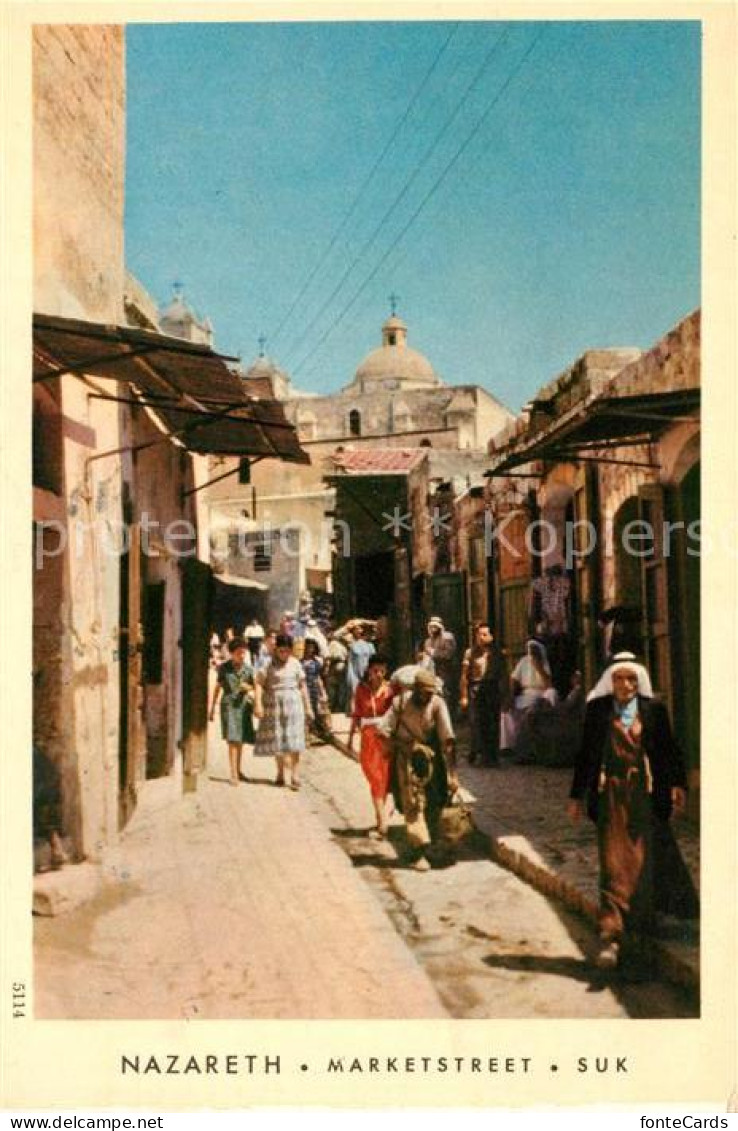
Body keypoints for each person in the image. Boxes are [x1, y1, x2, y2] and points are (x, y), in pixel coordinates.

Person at [568, 656, 699, 970]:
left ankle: (638, 937)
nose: (625, 685)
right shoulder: (599, 712)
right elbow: (586, 755)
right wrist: (577, 796)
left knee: (642, 866)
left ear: (638, 681)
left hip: (644, 796)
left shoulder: (653, 711)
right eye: (619, 679)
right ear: (610, 682)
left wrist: (677, 785)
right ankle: (611, 935)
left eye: (631, 680)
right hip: (612, 798)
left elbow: (668, 750)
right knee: (613, 866)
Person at [378, 669, 459, 872]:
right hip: (406, 759)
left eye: (431, 693)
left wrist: (452, 775)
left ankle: (430, 843)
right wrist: (405, 745)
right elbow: (382, 732)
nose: (427, 696)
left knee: (435, 801)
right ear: (415, 689)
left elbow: (448, 740)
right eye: (424, 692)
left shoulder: (438, 704)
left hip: (432, 760)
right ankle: (419, 850)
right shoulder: (399, 704)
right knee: (412, 804)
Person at [253, 633, 313, 790]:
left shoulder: (295, 664)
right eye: (281, 651)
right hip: (274, 706)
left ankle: (295, 774)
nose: (284, 654)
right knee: (278, 739)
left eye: (287, 651)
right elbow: (258, 683)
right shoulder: (267, 664)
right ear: (275, 649)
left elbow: (302, 686)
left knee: (295, 740)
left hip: (294, 706)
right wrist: (258, 704)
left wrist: (308, 707)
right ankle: (280, 773)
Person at [348, 655, 395, 839]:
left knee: (381, 779)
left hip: (386, 738)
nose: (379, 674)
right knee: (374, 778)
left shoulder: (391, 689)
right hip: (368, 738)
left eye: (382, 670)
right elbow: (357, 714)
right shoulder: (361, 689)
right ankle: (380, 818)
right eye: (376, 670)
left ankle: (382, 823)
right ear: (369, 670)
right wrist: (351, 738)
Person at [209, 637, 256, 786]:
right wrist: (211, 708)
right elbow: (218, 687)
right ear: (231, 653)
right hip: (229, 705)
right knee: (232, 740)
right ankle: (233, 773)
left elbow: (255, 687)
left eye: (243, 653)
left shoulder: (248, 669)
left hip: (243, 706)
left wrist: (247, 688)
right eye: (238, 653)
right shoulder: (224, 668)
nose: (241, 656)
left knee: (240, 739)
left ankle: (238, 770)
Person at [500, 639, 558, 760]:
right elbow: (514, 679)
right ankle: (508, 746)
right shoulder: (524, 661)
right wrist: (511, 695)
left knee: (551, 694)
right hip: (525, 694)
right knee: (506, 711)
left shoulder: (544, 662)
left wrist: (538, 667)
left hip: (541, 693)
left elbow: (549, 683)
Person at [460, 623, 503, 766]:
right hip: (476, 689)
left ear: (491, 636)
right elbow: (464, 676)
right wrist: (464, 696)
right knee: (478, 722)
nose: (482, 637)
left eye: (485, 634)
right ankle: (479, 754)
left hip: (492, 688)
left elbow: (504, 674)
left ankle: (493, 756)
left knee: (493, 722)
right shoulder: (470, 653)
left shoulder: (497, 653)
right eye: (480, 634)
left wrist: (507, 694)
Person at [302, 638, 329, 739]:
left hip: (313, 688)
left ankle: (316, 731)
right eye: (308, 647)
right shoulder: (299, 662)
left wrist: (323, 692)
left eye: (312, 647)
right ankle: (306, 733)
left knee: (315, 710)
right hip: (302, 689)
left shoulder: (316, 662)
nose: (310, 649)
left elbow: (318, 678)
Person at [423, 617, 457, 693]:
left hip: (446, 670)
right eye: (431, 627)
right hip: (432, 671)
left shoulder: (447, 637)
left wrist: (433, 653)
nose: (433, 629)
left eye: (435, 626)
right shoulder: (428, 641)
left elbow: (448, 655)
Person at [345, 625, 375, 709]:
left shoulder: (370, 646)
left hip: (367, 671)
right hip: (356, 672)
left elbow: (373, 660)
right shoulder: (353, 645)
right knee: (356, 692)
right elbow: (351, 662)